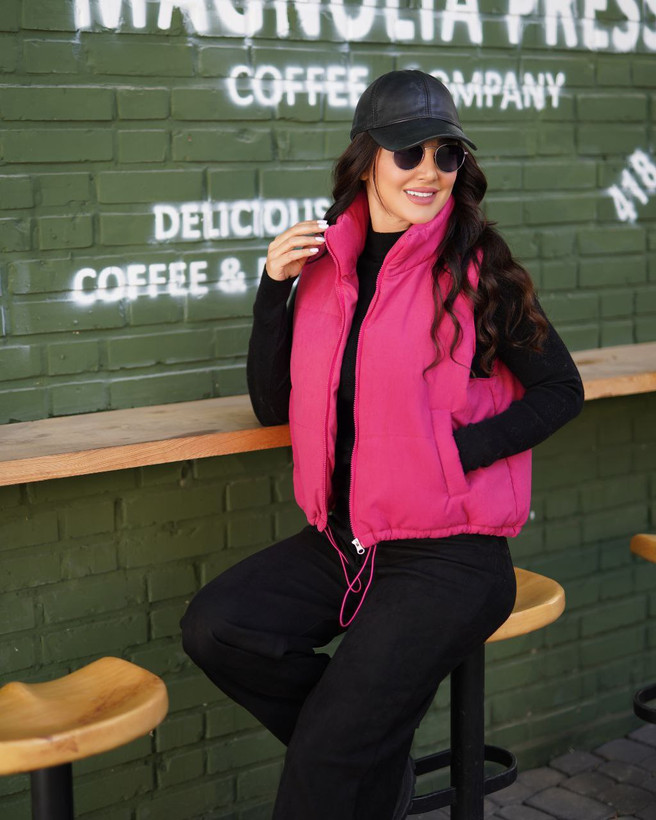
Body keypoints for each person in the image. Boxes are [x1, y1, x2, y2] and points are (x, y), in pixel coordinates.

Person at [180, 70, 584, 820]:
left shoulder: (479, 271)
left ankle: (353, 750)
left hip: (450, 554)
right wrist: (273, 287)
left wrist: (452, 456)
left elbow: (561, 389)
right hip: (348, 540)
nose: (430, 171)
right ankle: (368, 754)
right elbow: (274, 405)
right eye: (408, 153)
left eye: (447, 154)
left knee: (330, 756)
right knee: (218, 628)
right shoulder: (325, 268)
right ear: (366, 159)